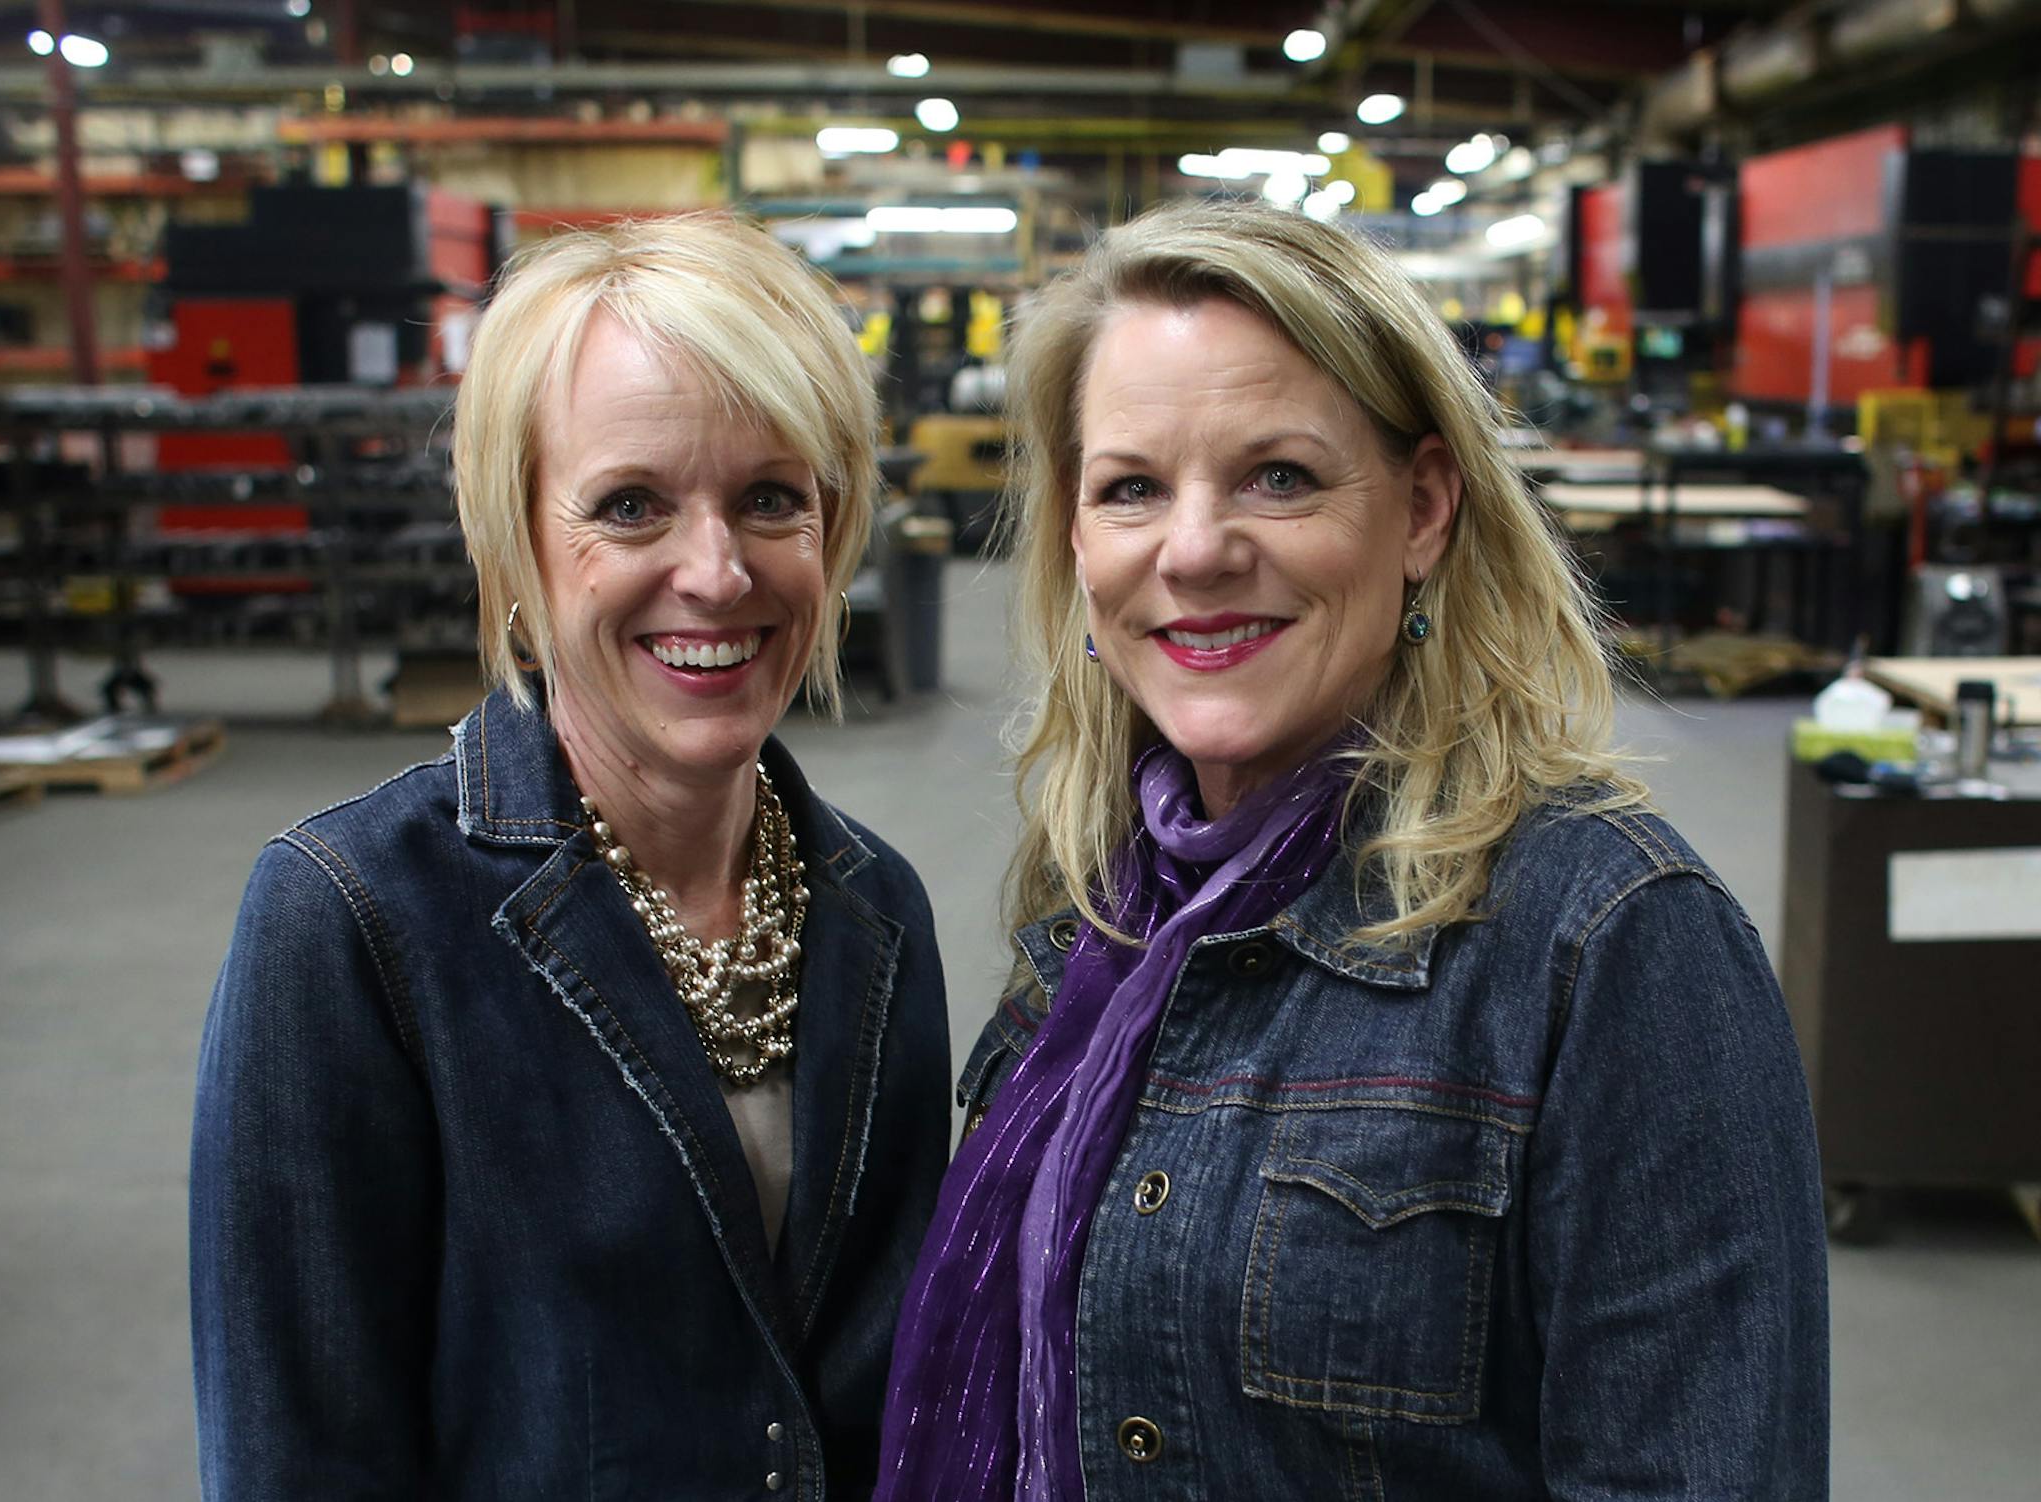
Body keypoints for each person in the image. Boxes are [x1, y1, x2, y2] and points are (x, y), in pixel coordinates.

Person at [875, 199, 1828, 1500]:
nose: (1197, 549)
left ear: (1423, 507)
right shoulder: (1106, 914)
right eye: (1133, 487)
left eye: (1281, 475)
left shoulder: (1607, 939)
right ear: (1079, 542)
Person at [191, 216, 952, 1500]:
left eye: (771, 497)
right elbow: (297, 1451)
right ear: (520, 545)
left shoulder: (871, 906)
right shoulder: (356, 920)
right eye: (630, 505)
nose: (714, 572)